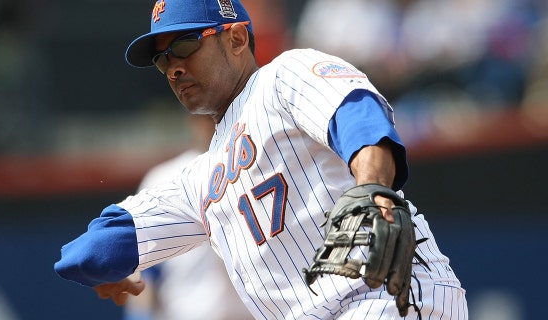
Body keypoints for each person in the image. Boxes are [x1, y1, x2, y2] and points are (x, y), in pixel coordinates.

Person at [54, 0, 468, 319]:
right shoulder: (195, 180)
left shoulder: (283, 76)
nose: (173, 68)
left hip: (385, 298)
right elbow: (93, 249)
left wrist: (372, 186)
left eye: (184, 45)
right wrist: (102, 269)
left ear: (235, 38)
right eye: (163, 59)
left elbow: (357, 115)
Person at [125, 114, 253, 320]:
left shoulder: (256, 167)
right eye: (205, 117)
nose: (212, 125)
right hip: (185, 313)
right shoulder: (163, 179)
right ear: (192, 119)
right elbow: (145, 271)